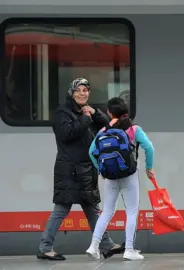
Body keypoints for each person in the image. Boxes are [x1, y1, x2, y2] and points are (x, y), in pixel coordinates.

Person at [37, 78, 123, 261]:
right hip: (69, 169)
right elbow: (66, 134)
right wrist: (85, 118)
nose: (83, 93)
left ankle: (107, 244)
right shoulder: (62, 112)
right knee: (61, 208)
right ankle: (45, 247)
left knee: (92, 208)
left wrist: (95, 113)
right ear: (72, 92)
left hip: (86, 168)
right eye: (79, 90)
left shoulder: (87, 111)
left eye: (86, 90)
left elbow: (108, 126)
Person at [86, 97, 155, 261]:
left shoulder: (103, 131)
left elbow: (91, 152)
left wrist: (101, 170)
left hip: (110, 176)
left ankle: (94, 246)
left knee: (107, 211)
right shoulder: (134, 129)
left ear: (110, 113)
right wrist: (149, 167)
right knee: (131, 211)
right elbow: (149, 147)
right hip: (129, 175)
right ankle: (129, 250)